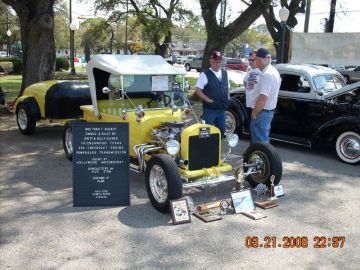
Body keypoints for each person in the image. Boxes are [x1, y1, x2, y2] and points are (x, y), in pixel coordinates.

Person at [249, 48, 281, 144]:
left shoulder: (267, 75)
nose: (255, 62)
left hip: (262, 112)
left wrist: (254, 113)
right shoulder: (274, 71)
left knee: (260, 141)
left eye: (255, 60)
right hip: (268, 112)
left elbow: (263, 97)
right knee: (263, 138)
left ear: (259, 60)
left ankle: (260, 158)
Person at [195, 51, 229, 137]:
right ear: (210, 61)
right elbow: (198, 90)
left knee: (221, 131)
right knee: (206, 132)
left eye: (219, 62)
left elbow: (226, 88)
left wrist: (227, 98)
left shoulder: (224, 73)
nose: (217, 64)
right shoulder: (205, 74)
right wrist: (208, 100)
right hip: (210, 109)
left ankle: (217, 148)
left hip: (221, 109)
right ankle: (206, 149)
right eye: (214, 62)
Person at [243, 52, 262, 124]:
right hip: (249, 103)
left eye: (252, 60)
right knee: (250, 126)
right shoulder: (250, 70)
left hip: (257, 105)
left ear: (257, 59)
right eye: (249, 60)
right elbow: (244, 81)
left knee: (257, 127)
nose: (250, 62)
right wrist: (249, 91)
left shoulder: (262, 71)